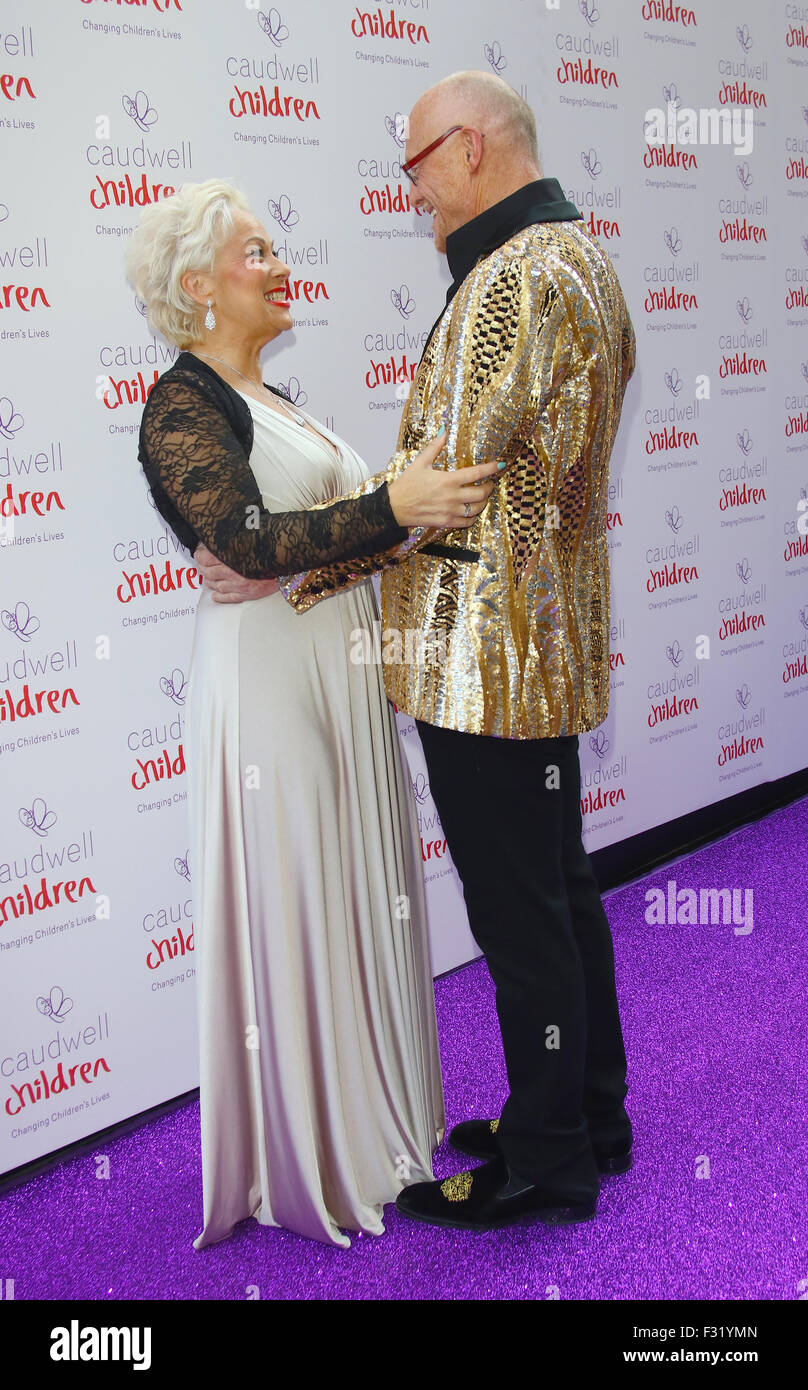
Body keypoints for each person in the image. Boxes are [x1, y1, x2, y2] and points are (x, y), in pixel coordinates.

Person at [196, 70, 638, 1233]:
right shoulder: (581, 260)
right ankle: (587, 1108)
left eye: (415, 165)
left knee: (519, 913)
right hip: (543, 643)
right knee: (560, 891)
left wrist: (295, 570)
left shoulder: (512, 279)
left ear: (472, 148)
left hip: (484, 659)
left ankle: (548, 1158)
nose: (411, 193)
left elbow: (439, 489)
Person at [125, 178, 503, 1249]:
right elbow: (243, 541)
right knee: (299, 884)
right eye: (257, 251)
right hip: (268, 687)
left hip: (335, 674)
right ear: (197, 285)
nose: (279, 264)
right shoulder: (181, 404)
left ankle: (374, 1119)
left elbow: (314, 542)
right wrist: (390, 507)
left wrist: (391, 515)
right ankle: (310, 1154)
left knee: (351, 881)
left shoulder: (274, 399)